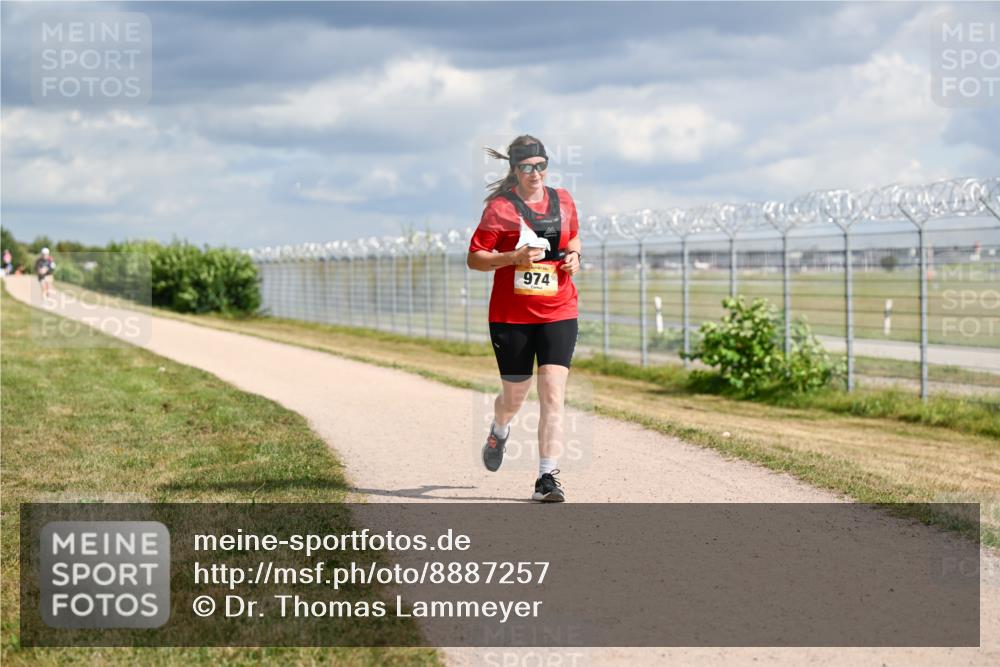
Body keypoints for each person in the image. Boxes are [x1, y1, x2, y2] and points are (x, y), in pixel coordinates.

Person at [467, 135, 582, 503]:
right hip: (511, 317)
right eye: (527, 167)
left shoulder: (563, 200)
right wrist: (513, 258)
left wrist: (575, 256)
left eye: (541, 166)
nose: (536, 173)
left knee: (553, 393)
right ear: (514, 170)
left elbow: (574, 236)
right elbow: (476, 258)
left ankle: (546, 478)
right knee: (514, 397)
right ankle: (499, 429)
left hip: (559, 310)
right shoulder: (499, 209)